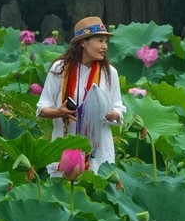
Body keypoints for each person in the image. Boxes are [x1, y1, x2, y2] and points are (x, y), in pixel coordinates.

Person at [36, 16, 125, 168]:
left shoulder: (110, 72)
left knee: (97, 187)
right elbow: (41, 108)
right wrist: (58, 112)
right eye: (99, 40)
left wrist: (113, 114)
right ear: (83, 42)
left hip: (99, 151)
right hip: (65, 146)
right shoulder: (60, 68)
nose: (105, 46)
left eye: (105, 41)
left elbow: (118, 107)